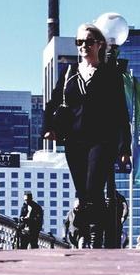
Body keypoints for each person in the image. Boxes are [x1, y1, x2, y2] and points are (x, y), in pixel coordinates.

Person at [45, 24, 131, 248]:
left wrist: (124, 148)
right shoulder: (69, 73)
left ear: (100, 44)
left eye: (88, 41)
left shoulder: (110, 74)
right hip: (74, 140)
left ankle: (95, 238)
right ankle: (88, 233)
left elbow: (120, 112)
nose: (83, 46)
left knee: (93, 188)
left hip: (102, 141)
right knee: (83, 193)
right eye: (79, 42)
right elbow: (53, 102)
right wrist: (49, 127)